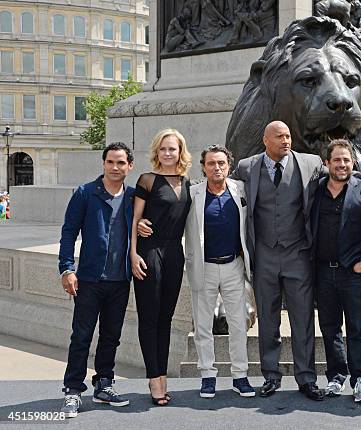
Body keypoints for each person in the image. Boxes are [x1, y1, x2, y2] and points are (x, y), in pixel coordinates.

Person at [230, 120, 361, 401]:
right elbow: (223, 185)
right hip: (264, 256)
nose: (286, 141)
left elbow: (340, 170)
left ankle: (306, 377)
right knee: (268, 321)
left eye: (288, 136)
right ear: (265, 140)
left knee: (303, 321)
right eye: (279, 137)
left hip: (298, 254)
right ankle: (271, 375)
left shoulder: (309, 163)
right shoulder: (248, 167)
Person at [58, 142, 135, 418]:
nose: (115, 167)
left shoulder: (133, 197)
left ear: (130, 166)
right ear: (103, 164)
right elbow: (68, 233)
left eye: (121, 163)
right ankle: (73, 391)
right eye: (111, 162)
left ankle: (104, 383)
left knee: (111, 337)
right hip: (88, 279)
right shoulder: (85, 193)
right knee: (81, 336)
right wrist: (67, 269)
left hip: (120, 280)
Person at [311, 140, 361, 403]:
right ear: (327, 163)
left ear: (353, 163)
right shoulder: (316, 190)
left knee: (358, 329)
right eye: (337, 160)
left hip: (355, 274)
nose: (342, 165)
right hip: (323, 272)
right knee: (330, 328)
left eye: (347, 160)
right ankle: (336, 377)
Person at [184, 145, 255, 398]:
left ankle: (240, 375)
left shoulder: (240, 190)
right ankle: (207, 375)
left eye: (222, 163)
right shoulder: (192, 194)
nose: (217, 168)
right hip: (204, 267)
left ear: (228, 165)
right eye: (212, 163)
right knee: (203, 325)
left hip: (234, 265)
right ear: (203, 167)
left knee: (238, 324)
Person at [130, 129, 192, 406]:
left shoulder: (189, 184)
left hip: (174, 254)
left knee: (165, 319)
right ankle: (154, 381)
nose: (168, 153)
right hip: (149, 251)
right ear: (157, 152)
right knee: (150, 318)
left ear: (181, 152)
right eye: (163, 149)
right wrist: (133, 254)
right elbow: (135, 220)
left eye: (173, 149)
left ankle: (162, 377)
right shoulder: (148, 180)